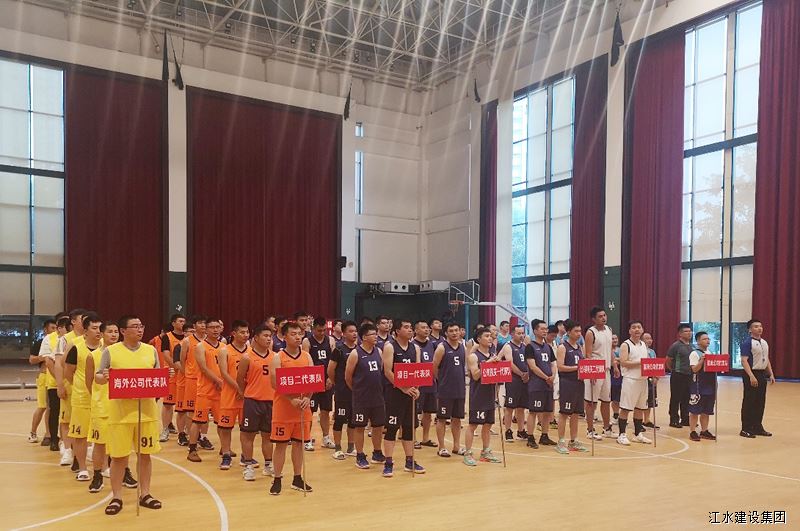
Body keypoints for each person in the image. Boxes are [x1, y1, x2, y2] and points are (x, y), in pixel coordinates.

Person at [96, 315, 166, 515]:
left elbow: (157, 377)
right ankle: (117, 497)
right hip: (120, 415)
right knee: (119, 457)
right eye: (135, 326)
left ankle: (145, 494)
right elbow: (99, 376)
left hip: (146, 413)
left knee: (145, 455)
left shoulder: (151, 350)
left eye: (141, 326)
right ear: (123, 331)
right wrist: (105, 376)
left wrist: (165, 376)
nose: (140, 329)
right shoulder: (111, 351)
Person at [269, 321, 313, 495]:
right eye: (293, 334)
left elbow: (313, 381)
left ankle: (297, 478)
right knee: (280, 445)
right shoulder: (278, 357)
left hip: (302, 409)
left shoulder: (307, 356)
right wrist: (291, 399)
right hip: (283, 409)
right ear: (285, 336)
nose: (297, 337)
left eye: (299, 334)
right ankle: (277, 478)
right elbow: (274, 383)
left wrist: (307, 398)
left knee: (299, 444)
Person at [380, 320, 424, 476]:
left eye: (410, 327)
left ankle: (409, 461)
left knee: (409, 428)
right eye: (406, 327)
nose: (410, 330)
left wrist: (416, 389)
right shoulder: (390, 347)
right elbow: (387, 371)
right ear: (397, 331)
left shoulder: (415, 348)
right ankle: (388, 462)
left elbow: (418, 370)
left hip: (410, 394)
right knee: (392, 429)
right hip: (394, 394)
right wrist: (403, 388)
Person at [65, 313, 104, 482]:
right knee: (80, 436)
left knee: (102, 436)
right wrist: (80, 387)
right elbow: (68, 372)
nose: (98, 331)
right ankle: (82, 468)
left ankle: (104, 467)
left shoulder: (106, 349)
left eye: (100, 328)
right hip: (81, 399)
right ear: (85, 331)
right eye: (94, 328)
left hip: (101, 399)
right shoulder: (76, 347)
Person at [85, 320, 120, 493]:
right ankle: (97, 475)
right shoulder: (93, 355)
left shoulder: (123, 353)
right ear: (102, 334)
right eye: (110, 331)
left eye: (116, 331)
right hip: (101, 406)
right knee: (99, 444)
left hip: (120, 405)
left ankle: (124, 472)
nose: (113, 334)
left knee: (121, 443)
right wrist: (98, 398)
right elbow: (89, 382)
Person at [345, 323, 386, 469]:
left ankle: (377, 452)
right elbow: (348, 377)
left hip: (378, 397)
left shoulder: (379, 351)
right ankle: (360, 455)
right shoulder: (355, 354)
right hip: (361, 398)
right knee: (360, 427)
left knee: (378, 426)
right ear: (364, 337)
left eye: (376, 334)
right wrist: (358, 390)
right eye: (372, 334)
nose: (376, 337)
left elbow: (381, 371)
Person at [237, 324, 274, 480]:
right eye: (265, 336)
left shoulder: (275, 357)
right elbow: (240, 378)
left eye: (270, 336)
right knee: (248, 435)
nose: (268, 339)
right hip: (252, 401)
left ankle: (268, 465)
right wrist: (244, 393)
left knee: (268, 435)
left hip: (270, 401)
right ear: (256, 338)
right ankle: (248, 466)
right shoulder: (247, 357)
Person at [463, 328, 503, 466]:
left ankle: (485, 452)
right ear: (479, 339)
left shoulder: (493, 355)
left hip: (490, 395)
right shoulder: (474, 356)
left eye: (491, 336)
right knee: (473, 425)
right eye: (487, 336)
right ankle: (468, 453)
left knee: (488, 424)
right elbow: (475, 375)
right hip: (478, 395)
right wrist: (488, 363)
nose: (490, 338)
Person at [54, 308, 87, 469]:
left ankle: (87, 449)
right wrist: (60, 385)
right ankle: (67, 449)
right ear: (73, 321)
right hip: (69, 384)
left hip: (87, 386)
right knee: (66, 419)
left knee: (86, 419)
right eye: (82, 319)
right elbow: (58, 364)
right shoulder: (65, 339)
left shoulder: (93, 338)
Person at [187, 318, 223, 462]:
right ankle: (192, 449)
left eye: (217, 327)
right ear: (206, 330)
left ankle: (225, 448)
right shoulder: (200, 346)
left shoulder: (223, 346)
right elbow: (203, 368)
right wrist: (217, 380)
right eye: (212, 327)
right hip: (205, 390)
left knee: (223, 422)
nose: (215, 330)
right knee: (198, 420)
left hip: (220, 391)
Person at [217, 320, 249, 469]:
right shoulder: (224, 350)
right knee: (225, 427)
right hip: (230, 395)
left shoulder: (250, 351)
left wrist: (245, 390)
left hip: (246, 396)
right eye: (242, 332)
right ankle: (226, 455)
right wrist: (239, 389)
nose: (245, 335)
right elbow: (224, 373)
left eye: (247, 332)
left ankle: (246, 456)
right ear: (234, 333)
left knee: (246, 428)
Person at [553, 320, 588, 454]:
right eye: (576, 331)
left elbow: (582, 365)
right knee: (564, 413)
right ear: (568, 332)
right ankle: (561, 441)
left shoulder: (579, 347)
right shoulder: (563, 347)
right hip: (567, 383)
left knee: (575, 413)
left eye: (580, 331)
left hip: (579, 383)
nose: (579, 334)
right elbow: (560, 367)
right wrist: (576, 368)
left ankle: (573, 440)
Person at [302, 317, 337, 451]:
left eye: (324, 330)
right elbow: (306, 361)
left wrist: (331, 378)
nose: (322, 333)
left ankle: (326, 438)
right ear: (313, 329)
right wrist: (312, 383)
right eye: (319, 330)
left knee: (325, 410)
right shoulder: (307, 341)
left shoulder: (331, 340)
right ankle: (307, 439)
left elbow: (333, 361)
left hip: (327, 379)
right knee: (309, 411)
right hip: (313, 379)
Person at [432, 322, 467, 457]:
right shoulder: (442, 348)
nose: (454, 333)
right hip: (445, 390)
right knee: (441, 419)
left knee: (457, 419)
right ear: (446, 333)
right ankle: (441, 447)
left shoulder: (462, 347)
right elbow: (434, 367)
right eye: (451, 331)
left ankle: (456, 446)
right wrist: (442, 381)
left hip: (460, 390)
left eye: (456, 330)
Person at [617, 320, 652, 446]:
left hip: (643, 379)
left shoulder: (643, 344)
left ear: (642, 330)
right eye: (634, 327)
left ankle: (637, 434)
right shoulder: (625, 344)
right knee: (625, 408)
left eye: (639, 327)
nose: (637, 329)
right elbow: (623, 362)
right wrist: (640, 363)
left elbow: (646, 362)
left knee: (640, 408)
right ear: (629, 331)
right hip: (630, 380)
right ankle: (621, 435)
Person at [739, 319, 775, 438]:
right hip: (751, 374)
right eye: (756, 326)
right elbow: (744, 360)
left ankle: (757, 427)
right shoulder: (747, 343)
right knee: (749, 402)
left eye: (760, 326)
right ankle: (745, 429)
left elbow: (766, 359)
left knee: (760, 402)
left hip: (761, 374)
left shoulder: (764, 342)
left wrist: (771, 374)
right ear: (750, 329)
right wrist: (751, 376)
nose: (759, 328)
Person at [583, 306, 615, 440]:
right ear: (594, 319)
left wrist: (615, 366)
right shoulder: (591, 332)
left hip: (607, 370)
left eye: (604, 315)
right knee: (592, 402)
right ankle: (590, 430)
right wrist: (591, 372)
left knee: (606, 400)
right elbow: (588, 354)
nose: (603, 318)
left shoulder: (609, 330)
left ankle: (607, 429)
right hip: (595, 370)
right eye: (600, 316)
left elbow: (611, 350)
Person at [525, 319, 558, 448]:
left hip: (548, 385)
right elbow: (532, 366)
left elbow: (553, 363)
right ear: (535, 331)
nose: (545, 331)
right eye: (542, 329)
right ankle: (530, 437)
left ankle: (544, 436)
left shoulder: (548, 347)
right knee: (533, 411)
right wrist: (546, 377)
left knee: (547, 411)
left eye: (546, 329)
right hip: (536, 385)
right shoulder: (530, 347)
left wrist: (553, 376)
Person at [328, 321, 358, 460]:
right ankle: (338, 448)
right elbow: (330, 370)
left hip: (356, 391)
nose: (354, 333)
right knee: (340, 419)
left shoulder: (359, 349)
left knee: (353, 420)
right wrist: (336, 383)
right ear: (344, 333)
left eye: (355, 331)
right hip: (342, 391)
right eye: (351, 331)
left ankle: (351, 447)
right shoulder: (339, 350)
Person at [179, 316, 209, 448]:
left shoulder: (211, 341)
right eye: (200, 323)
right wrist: (188, 374)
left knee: (205, 410)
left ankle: (203, 437)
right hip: (192, 379)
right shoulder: (187, 341)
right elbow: (182, 360)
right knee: (191, 411)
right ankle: (192, 438)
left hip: (207, 380)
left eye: (204, 323)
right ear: (194, 326)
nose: (203, 325)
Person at [40, 314, 69, 451]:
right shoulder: (49, 338)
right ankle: (53, 439)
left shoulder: (72, 339)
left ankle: (67, 441)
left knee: (67, 414)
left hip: (70, 383)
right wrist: (59, 379)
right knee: (54, 410)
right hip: (53, 382)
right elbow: (48, 361)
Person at [157, 314, 185, 442]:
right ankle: (165, 429)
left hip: (184, 375)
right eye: (180, 321)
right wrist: (177, 367)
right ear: (173, 323)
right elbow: (166, 356)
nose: (182, 323)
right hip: (172, 374)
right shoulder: (167, 337)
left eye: (184, 321)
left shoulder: (188, 338)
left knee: (183, 406)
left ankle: (183, 431)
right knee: (168, 404)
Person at [28, 318, 57, 444]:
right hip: (44, 376)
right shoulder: (41, 342)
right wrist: (43, 357)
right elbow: (31, 360)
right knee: (42, 406)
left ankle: (48, 434)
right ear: (45, 329)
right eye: (52, 328)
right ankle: (33, 432)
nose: (54, 330)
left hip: (54, 376)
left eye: (56, 328)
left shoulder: (60, 341)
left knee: (51, 407)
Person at [501, 324, 529, 443]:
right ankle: (508, 431)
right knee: (510, 407)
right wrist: (522, 374)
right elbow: (510, 363)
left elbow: (528, 362)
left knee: (521, 407)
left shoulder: (525, 346)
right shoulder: (508, 346)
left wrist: (527, 374)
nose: (521, 335)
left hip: (524, 380)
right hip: (513, 380)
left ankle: (521, 430)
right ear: (512, 334)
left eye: (522, 333)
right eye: (519, 333)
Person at [412, 320, 438, 448]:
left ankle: (425, 438)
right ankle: (413, 438)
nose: (426, 329)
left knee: (428, 412)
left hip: (430, 382)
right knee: (414, 413)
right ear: (416, 330)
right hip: (417, 383)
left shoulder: (432, 344)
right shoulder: (412, 345)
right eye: (423, 327)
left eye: (427, 327)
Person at [688, 331, 716, 442]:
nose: (707, 340)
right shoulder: (694, 354)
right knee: (695, 410)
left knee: (706, 410)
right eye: (704, 339)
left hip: (710, 386)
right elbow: (694, 369)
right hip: (698, 386)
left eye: (708, 339)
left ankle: (704, 431)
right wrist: (701, 361)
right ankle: (692, 431)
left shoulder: (710, 352)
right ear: (698, 341)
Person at [666, 323, 694, 428]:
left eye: (690, 331)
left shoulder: (692, 346)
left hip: (689, 375)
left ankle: (685, 419)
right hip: (678, 375)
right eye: (686, 331)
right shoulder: (675, 346)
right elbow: (668, 360)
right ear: (680, 334)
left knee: (686, 398)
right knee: (675, 398)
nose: (689, 333)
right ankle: (673, 419)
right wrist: (674, 370)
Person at [642, 332, 659, 429]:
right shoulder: (640, 351)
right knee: (642, 400)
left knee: (650, 399)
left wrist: (656, 377)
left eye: (650, 338)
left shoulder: (652, 352)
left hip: (651, 378)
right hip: (642, 378)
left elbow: (655, 365)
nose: (649, 340)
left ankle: (647, 420)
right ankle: (639, 420)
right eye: (646, 338)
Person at [610, 334, 621, 420]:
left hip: (620, 373)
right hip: (610, 373)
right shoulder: (607, 350)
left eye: (616, 338)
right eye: (613, 339)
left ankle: (617, 414)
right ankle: (615, 414)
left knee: (618, 396)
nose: (615, 340)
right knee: (612, 396)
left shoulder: (620, 349)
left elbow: (623, 360)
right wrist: (616, 360)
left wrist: (616, 360)